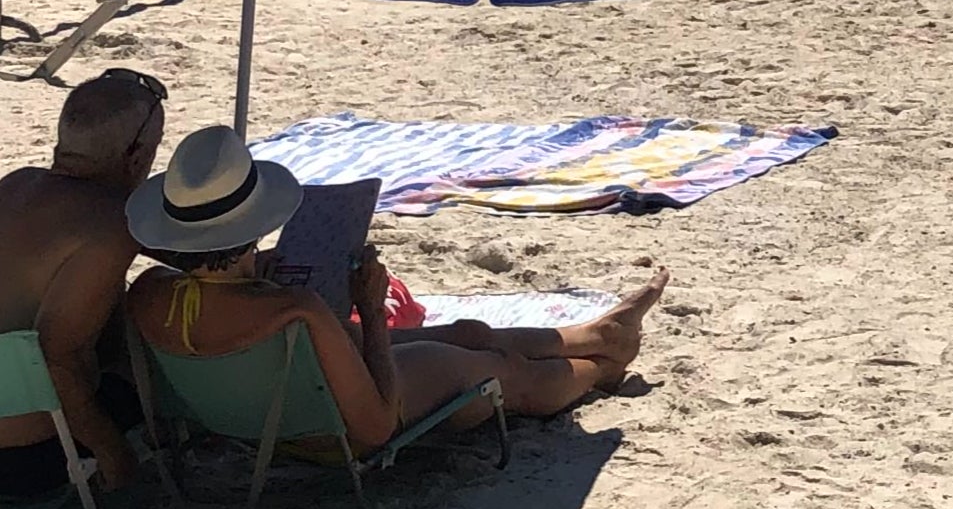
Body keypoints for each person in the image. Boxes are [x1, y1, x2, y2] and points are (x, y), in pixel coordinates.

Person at [123, 126, 665, 450]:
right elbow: (377, 425)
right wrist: (369, 310)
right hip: (326, 436)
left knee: (465, 332)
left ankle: (596, 331)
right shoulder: (294, 309)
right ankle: (602, 366)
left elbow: (225, 323)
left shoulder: (147, 293)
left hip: (261, 417)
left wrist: (256, 273)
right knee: (506, 374)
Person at [0, 70, 168, 504]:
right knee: (158, 363)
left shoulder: (14, 184)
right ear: (136, 157)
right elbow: (59, 357)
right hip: (21, 457)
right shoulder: (111, 224)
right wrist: (115, 454)